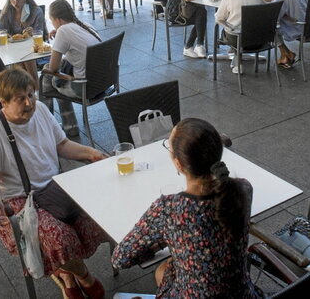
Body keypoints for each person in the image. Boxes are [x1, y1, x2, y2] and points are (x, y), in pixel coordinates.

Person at [0, 69, 107, 299]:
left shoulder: (42, 110)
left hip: (56, 188)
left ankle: (66, 275)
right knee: (60, 239)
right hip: (22, 202)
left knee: (95, 219)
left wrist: (91, 153)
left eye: (31, 94)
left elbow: (63, 145)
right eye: (20, 98)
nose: (29, 102)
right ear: (3, 102)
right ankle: (84, 276)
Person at [112, 118, 261, 298]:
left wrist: (162, 242)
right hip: (241, 294)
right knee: (169, 268)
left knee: (162, 270)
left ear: (178, 164)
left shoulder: (169, 208)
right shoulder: (243, 189)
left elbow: (120, 259)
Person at [41, 0, 102, 137]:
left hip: (85, 88)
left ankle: (48, 128)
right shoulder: (85, 25)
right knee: (56, 76)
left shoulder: (63, 30)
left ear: (56, 19)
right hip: (102, 83)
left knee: (48, 78)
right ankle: (70, 126)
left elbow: (53, 67)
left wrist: (58, 39)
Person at [215, 0, 265, 74]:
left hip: (237, 40)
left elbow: (219, 18)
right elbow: (264, 11)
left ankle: (238, 63)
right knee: (242, 26)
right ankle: (238, 58)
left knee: (230, 28)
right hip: (258, 39)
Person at [0, 0, 46, 84]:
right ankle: (31, 90)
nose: (15, 2)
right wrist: (5, 35)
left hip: (33, 50)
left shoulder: (36, 11)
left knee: (26, 59)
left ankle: (28, 89)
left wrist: (32, 31)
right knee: (22, 60)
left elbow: (41, 34)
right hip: (12, 50)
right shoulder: (7, 12)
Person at [263, 0, 308, 69]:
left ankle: (285, 54)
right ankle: (286, 54)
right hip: (308, 23)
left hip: (297, 26)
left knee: (268, 25)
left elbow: (275, 16)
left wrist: (267, 4)